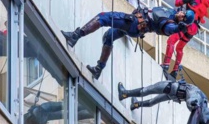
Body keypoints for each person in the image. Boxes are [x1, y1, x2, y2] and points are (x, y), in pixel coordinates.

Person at [61, 6, 195, 79]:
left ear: (182, 19)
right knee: (108, 37)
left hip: (134, 23)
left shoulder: (169, 24)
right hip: (135, 26)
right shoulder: (172, 14)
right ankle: (98, 69)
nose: (181, 13)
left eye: (183, 15)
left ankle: (75, 36)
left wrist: (179, 28)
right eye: (182, 12)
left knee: (103, 17)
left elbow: (170, 30)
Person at [162, 0, 209, 79]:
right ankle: (175, 71)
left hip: (188, 24)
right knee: (179, 48)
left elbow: (178, 3)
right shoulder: (201, 2)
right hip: (194, 28)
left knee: (171, 41)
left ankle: (166, 64)